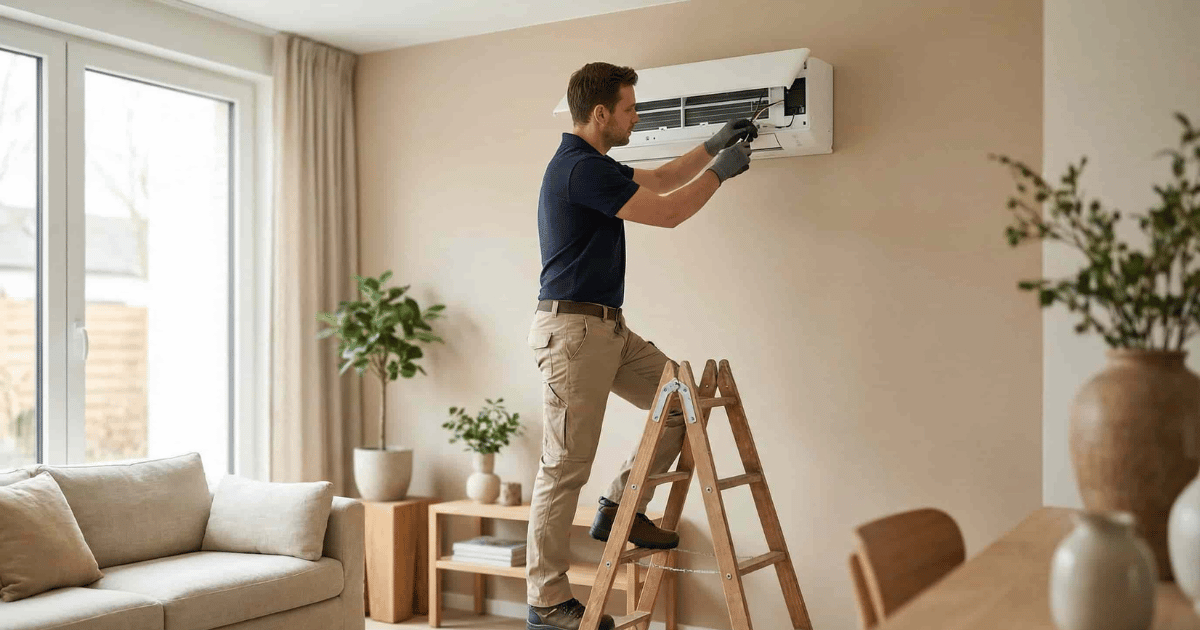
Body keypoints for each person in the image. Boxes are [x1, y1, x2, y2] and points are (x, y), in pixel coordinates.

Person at [526, 61, 756, 630]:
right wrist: (722, 172)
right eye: (629, 109)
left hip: (607, 328)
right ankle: (546, 600)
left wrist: (712, 146)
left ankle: (618, 509)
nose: (636, 117)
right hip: (574, 333)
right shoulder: (578, 170)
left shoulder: (594, 166)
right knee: (563, 468)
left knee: (678, 402)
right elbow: (671, 211)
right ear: (600, 113)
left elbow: (656, 181)